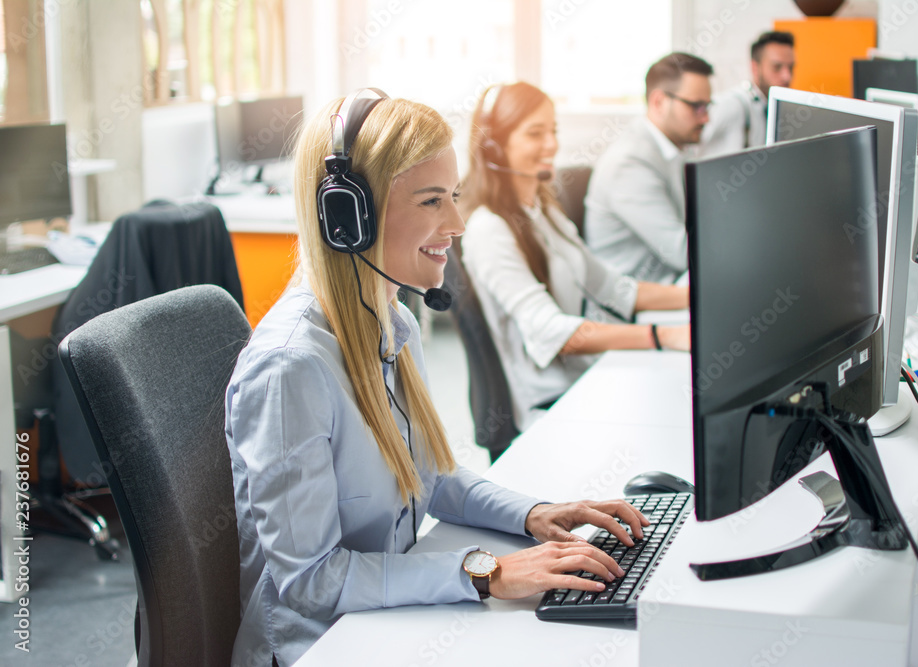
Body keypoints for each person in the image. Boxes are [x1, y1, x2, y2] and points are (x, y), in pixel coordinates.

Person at [224, 90, 652, 667]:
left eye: (453, 197)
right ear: (350, 218)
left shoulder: (393, 322)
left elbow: (434, 478)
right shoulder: (290, 368)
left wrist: (535, 514)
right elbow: (311, 582)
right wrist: (485, 571)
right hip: (319, 647)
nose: (456, 223)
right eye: (431, 202)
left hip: (387, 622)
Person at [460, 82, 689, 435]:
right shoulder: (489, 229)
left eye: (553, 131)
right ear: (494, 147)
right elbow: (552, 331)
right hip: (554, 405)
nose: (551, 144)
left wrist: (699, 296)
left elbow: (613, 287)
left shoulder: (542, 210)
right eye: (535, 134)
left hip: (586, 378)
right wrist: (663, 335)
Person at [584, 53, 714, 284]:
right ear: (659, 102)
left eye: (707, 106)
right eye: (696, 106)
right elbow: (684, 253)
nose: (706, 118)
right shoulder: (629, 163)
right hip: (637, 303)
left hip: (669, 284)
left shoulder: (672, 147)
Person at [698, 31, 796, 157]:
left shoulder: (774, 108)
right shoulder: (731, 104)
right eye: (777, 67)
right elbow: (693, 146)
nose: (787, 76)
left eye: (791, 68)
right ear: (755, 68)